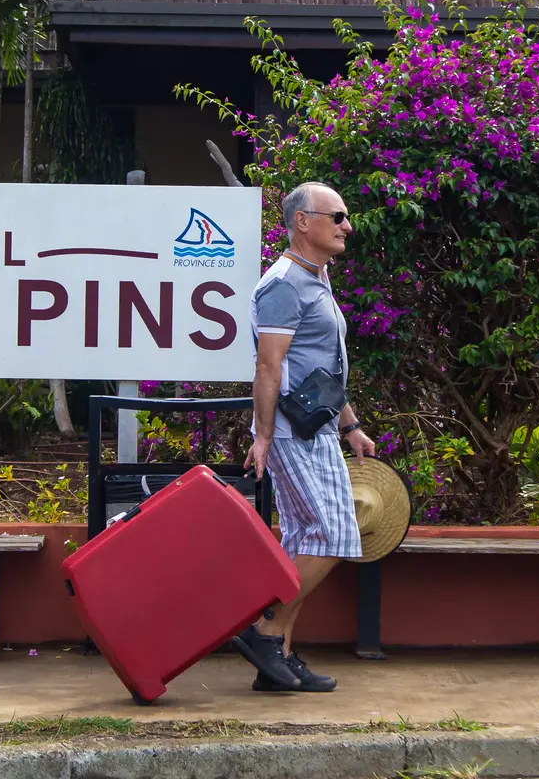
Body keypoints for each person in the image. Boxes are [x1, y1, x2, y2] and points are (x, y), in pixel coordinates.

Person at [234, 181, 376, 693]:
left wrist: (350, 425)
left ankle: (279, 658)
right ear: (303, 222)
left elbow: (320, 369)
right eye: (337, 216)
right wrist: (265, 437)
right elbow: (269, 366)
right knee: (331, 535)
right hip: (291, 432)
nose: (346, 225)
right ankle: (265, 631)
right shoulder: (283, 285)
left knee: (304, 537)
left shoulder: (314, 278)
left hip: (317, 428)